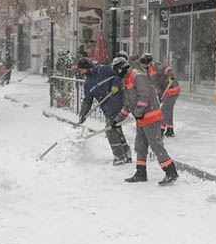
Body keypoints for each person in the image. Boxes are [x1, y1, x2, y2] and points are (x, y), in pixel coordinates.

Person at [111, 56, 178, 186]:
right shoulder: (127, 80)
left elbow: (144, 95)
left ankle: (170, 171)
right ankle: (140, 172)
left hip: (150, 117)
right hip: (141, 119)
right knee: (140, 146)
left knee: (156, 145)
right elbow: (128, 104)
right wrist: (118, 119)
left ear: (121, 69)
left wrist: (139, 111)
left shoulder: (137, 76)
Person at [76, 57, 132, 165]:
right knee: (116, 129)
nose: (81, 72)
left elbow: (119, 73)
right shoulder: (88, 83)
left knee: (110, 129)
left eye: (82, 69)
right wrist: (83, 114)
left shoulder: (104, 69)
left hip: (118, 102)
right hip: (107, 108)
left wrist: (116, 84)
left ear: (88, 67)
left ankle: (119, 157)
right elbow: (87, 100)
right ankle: (126, 154)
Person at [139, 53, 180, 137]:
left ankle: (160, 130)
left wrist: (170, 76)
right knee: (168, 109)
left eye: (145, 63)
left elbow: (167, 69)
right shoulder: (147, 70)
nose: (143, 65)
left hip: (172, 88)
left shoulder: (156, 66)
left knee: (164, 110)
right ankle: (170, 129)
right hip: (164, 91)